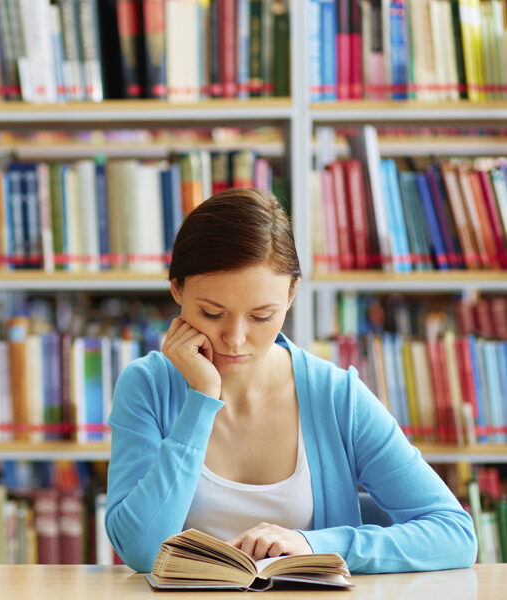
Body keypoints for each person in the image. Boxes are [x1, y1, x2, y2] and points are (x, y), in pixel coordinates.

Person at [104, 188, 476, 573]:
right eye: (213, 313)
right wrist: (201, 400)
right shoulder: (146, 386)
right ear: (177, 288)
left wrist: (313, 545)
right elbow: (142, 550)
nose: (235, 337)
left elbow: (455, 534)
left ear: (292, 293)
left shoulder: (336, 396)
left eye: (261, 316)